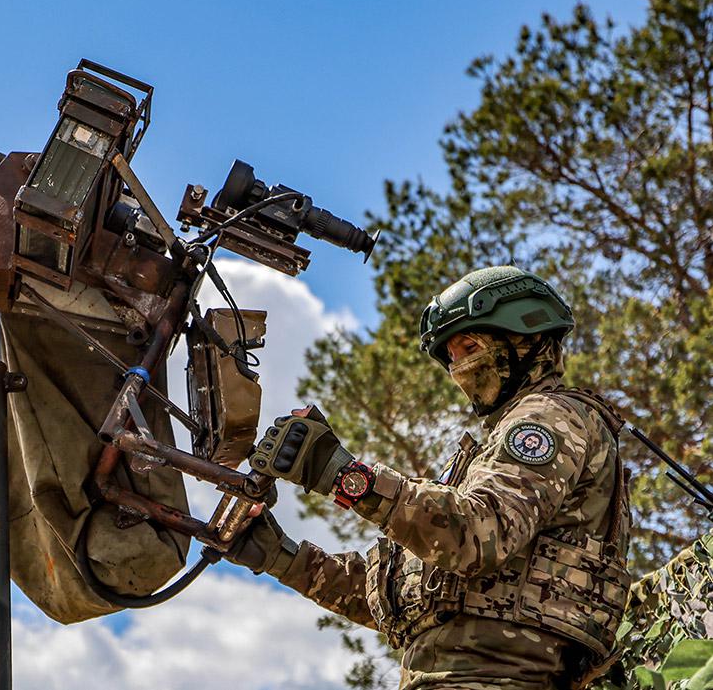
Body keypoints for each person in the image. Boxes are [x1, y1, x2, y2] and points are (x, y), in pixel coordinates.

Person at [228, 265, 631, 689]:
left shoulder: (550, 417)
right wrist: (280, 556)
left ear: (524, 336)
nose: (458, 366)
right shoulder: (488, 455)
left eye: (469, 346)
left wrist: (341, 474)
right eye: (451, 357)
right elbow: (398, 595)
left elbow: (478, 533)